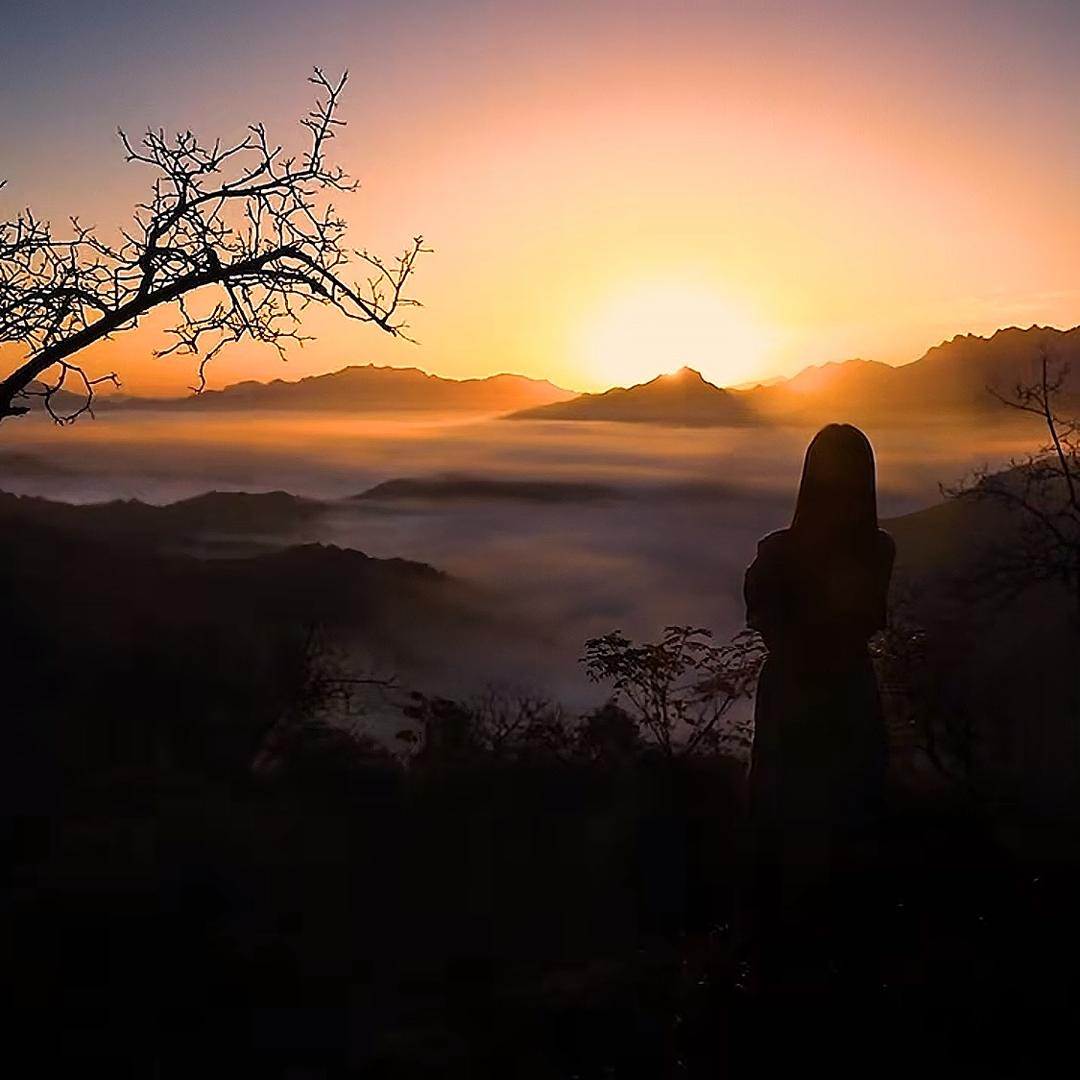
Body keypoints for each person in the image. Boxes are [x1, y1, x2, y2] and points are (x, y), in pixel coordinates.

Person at [742, 423, 895, 989]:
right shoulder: (879, 550)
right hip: (851, 692)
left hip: (791, 697)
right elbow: (869, 621)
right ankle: (849, 961)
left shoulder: (775, 555)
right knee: (850, 812)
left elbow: (761, 618)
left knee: (785, 818)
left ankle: (776, 964)